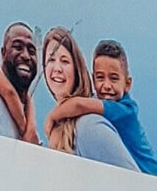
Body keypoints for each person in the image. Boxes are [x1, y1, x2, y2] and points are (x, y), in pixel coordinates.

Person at [47, 38, 157, 175]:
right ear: (93, 78)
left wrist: (52, 117)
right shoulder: (99, 103)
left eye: (114, 78)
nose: (106, 86)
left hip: (153, 180)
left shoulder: (125, 110)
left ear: (127, 84)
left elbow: (78, 105)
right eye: (100, 78)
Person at [40, 27, 137, 167]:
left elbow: (133, 182)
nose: (57, 68)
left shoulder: (89, 126)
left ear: (77, 69)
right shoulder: (63, 129)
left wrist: (52, 117)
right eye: (51, 59)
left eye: (64, 61)